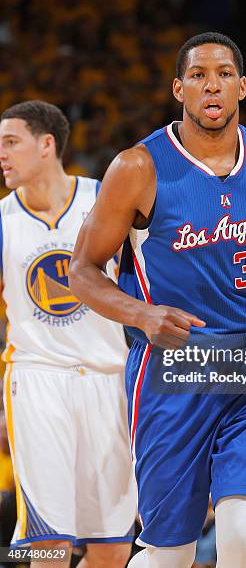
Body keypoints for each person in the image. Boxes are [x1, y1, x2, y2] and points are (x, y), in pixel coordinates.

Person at [70, 31, 246, 568]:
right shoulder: (138, 168)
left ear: (242, 87)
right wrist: (141, 314)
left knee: (241, 538)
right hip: (171, 373)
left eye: (225, 74)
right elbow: (81, 271)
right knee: (172, 552)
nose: (213, 85)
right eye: (200, 76)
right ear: (179, 89)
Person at [0, 100, 134, 568]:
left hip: (109, 379)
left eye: (11, 142)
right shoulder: (1, 219)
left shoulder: (107, 200)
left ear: (47, 144)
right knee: (49, 544)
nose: (2, 154)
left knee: (112, 547)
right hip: (38, 379)